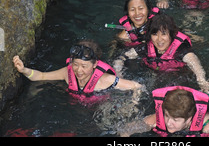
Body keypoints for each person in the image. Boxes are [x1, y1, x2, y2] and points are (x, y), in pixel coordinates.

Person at [13, 39, 142, 101]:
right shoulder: (67, 73)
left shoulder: (106, 80)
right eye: (75, 64)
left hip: (100, 108)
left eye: (84, 66)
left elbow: (137, 86)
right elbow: (41, 76)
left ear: (95, 65)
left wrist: (131, 106)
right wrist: (24, 70)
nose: (78, 70)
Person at [118, 85, 209, 137]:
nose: (168, 122)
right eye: (167, 116)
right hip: (190, 102)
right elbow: (125, 130)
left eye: (175, 120)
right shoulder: (158, 119)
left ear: (189, 120)